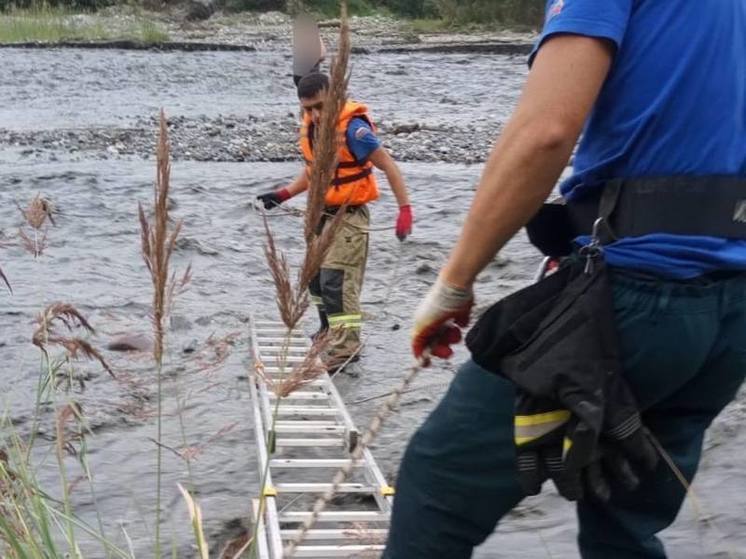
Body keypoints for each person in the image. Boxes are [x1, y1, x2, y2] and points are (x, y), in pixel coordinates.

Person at [384, 1, 746, 558]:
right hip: (731, 316)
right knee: (625, 526)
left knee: (439, 486)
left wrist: (455, 281)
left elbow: (546, 132)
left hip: (635, 299)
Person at [258, 73, 413, 372]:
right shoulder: (314, 129)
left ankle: (346, 349)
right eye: (307, 109)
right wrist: (283, 194)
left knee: (336, 281)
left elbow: (388, 165)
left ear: (335, 95)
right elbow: (314, 172)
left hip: (350, 216)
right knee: (315, 278)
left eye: (320, 106)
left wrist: (404, 208)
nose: (315, 114)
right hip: (320, 213)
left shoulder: (355, 130)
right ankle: (327, 330)